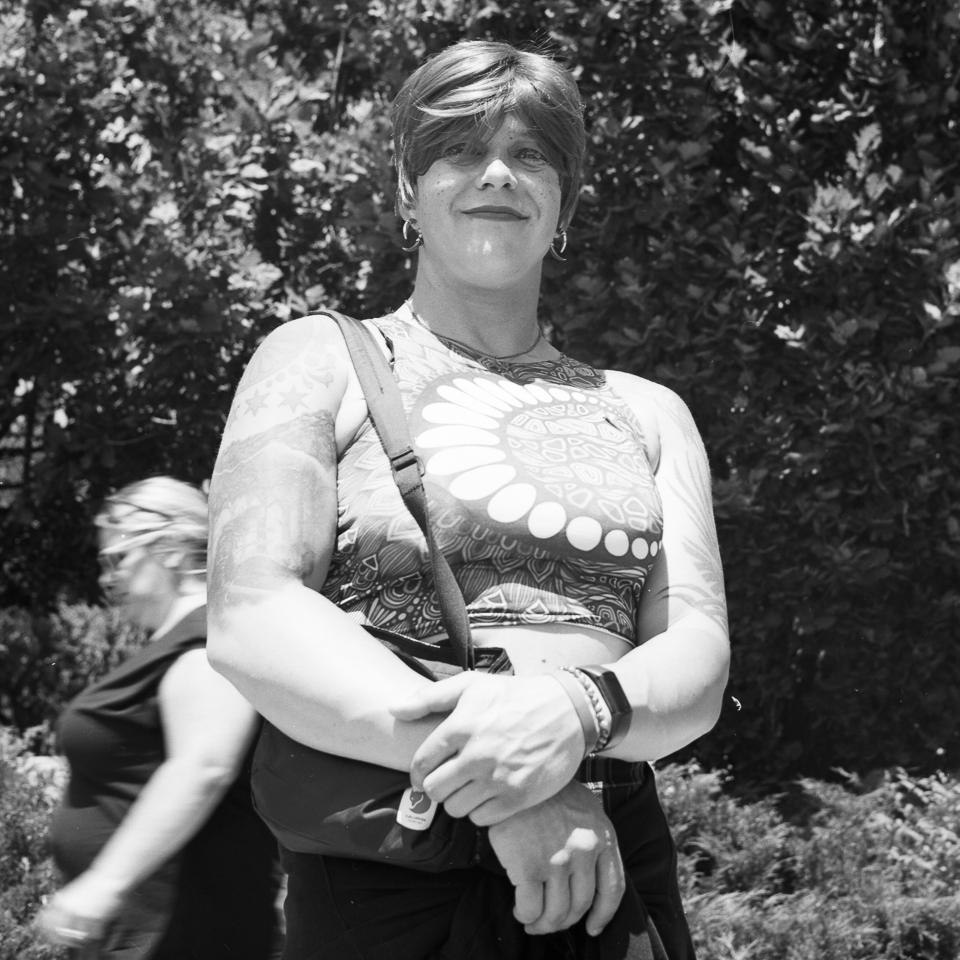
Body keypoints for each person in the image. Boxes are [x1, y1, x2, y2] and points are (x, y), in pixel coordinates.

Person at [207, 39, 729, 960]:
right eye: (459, 148)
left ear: (563, 202)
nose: (497, 172)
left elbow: (695, 658)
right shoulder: (317, 361)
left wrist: (575, 714)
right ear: (408, 191)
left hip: (611, 871)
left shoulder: (648, 413)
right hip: (393, 867)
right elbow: (254, 617)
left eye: (531, 155)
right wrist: (515, 785)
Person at [40, 477, 281, 959]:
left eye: (118, 559)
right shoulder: (174, 644)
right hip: (144, 928)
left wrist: (105, 884)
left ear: (170, 548)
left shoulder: (204, 644)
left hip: (183, 927)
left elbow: (204, 766)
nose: (107, 578)